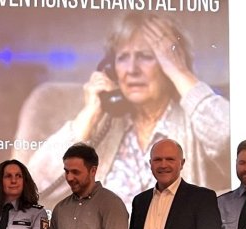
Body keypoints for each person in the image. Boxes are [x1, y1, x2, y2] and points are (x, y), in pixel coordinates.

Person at [27, 12, 230, 206]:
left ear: (170, 63)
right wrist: (86, 120)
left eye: (146, 56)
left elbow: (228, 137)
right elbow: (36, 184)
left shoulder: (194, 122)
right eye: (123, 57)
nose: (132, 69)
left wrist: (180, 72)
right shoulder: (105, 127)